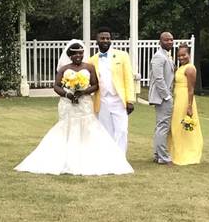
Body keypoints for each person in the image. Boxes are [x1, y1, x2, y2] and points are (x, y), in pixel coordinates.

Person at [15, 41, 133, 175]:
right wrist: (68, 94)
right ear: (70, 55)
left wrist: (83, 92)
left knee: (88, 127)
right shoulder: (64, 69)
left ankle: (91, 157)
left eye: (80, 53)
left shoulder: (89, 67)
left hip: (84, 104)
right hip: (68, 104)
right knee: (67, 127)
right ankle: (66, 157)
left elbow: (95, 85)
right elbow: (56, 86)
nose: (78, 55)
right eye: (75, 53)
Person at [88, 27, 136, 152]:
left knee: (122, 130)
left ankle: (120, 158)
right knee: (105, 130)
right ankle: (109, 158)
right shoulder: (92, 60)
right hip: (102, 100)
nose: (105, 40)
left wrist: (130, 100)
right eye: (102, 38)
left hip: (119, 99)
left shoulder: (122, 55)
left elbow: (128, 78)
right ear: (97, 40)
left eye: (108, 38)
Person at [168, 44, 203, 166]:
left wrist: (189, 106)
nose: (181, 57)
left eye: (184, 55)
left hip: (185, 100)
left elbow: (191, 89)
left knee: (182, 127)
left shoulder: (190, 69)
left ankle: (186, 152)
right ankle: (174, 152)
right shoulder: (180, 68)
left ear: (189, 54)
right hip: (177, 99)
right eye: (179, 55)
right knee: (175, 126)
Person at [148, 31, 175, 165]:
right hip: (162, 98)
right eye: (166, 40)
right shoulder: (159, 56)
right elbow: (158, 78)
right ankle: (163, 157)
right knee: (163, 126)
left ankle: (158, 154)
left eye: (171, 40)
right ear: (160, 42)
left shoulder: (166, 56)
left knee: (161, 126)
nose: (169, 42)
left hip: (164, 97)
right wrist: (167, 96)